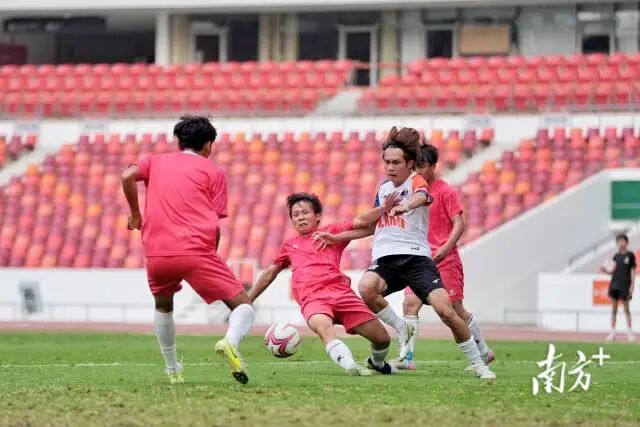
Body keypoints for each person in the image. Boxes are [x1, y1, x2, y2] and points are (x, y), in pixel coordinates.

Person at [314, 127, 495, 380]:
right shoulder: (384, 189)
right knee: (366, 287)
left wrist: (406, 205)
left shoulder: (416, 181)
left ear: (410, 164)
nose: (390, 167)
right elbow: (370, 226)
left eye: (396, 162)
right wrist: (337, 238)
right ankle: (401, 328)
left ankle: (479, 363)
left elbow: (422, 196)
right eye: (387, 162)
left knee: (447, 311)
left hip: (416, 259)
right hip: (387, 259)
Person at [121, 115, 255, 385]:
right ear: (208, 145)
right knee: (244, 308)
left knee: (163, 307)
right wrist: (210, 256)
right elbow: (215, 225)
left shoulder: (154, 162)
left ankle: (173, 369)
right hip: (196, 251)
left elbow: (126, 176)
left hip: (157, 252)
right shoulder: (213, 172)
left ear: (179, 142)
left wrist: (135, 214)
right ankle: (229, 343)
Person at [250, 193, 398, 375]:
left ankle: (377, 362)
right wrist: (248, 300)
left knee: (382, 339)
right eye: (295, 215)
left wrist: (383, 209)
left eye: (305, 212)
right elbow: (269, 274)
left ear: (317, 216)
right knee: (323, 328)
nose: (300, 217)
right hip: (313, 299)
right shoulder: (289, 245)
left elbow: (364, 225)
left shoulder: (332, 231)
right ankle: (350, 365)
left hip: (342, 294)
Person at [395, 144, 494, 370]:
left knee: (455, 310)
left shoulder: (445, 191)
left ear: (433, 166)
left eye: (422, 166)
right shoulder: (411, 192)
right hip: (419, 260)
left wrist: (446, 248)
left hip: (445, 260)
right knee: (410, 304)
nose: (418, 172)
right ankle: (406, 358)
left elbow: (460, 223)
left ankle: (483, 352)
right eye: (415, 167)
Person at [602, 234, 636, 342]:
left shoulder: (630, 255)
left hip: (625, 285)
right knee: (614, 309)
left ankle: (629, 333)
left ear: (627, 242)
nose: (621, 243)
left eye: (623, 241)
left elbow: (632, 271)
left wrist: (632, 285)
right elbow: (612, 271)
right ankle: (612, 332)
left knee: (626, 309)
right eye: (619, 241)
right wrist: (605, 271)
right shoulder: (615, 256)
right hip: (614, 285)